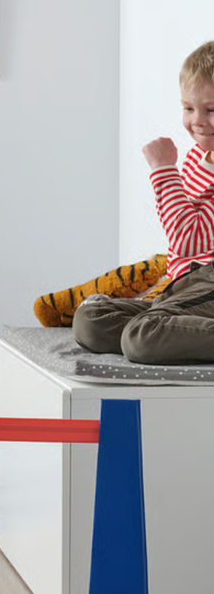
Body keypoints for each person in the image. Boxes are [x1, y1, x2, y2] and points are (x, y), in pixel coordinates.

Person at [73, 40, 214, 364]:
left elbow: (189, 239)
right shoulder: (197, 157)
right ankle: (166, 325)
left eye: (211, 110)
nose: (198, 121)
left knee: (142, 337)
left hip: (208, 278)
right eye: (188, 108)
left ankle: (158, 328)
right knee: (91, 322)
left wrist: (163, 169)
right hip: (184, 285)